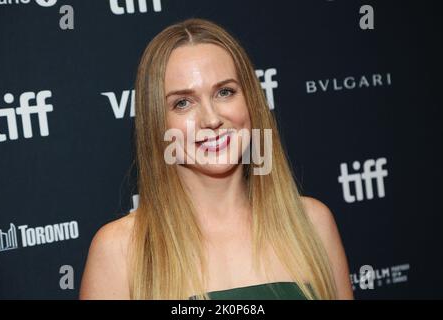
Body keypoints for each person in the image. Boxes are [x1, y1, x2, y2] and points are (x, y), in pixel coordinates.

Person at [79, 18, 354, 300]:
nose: (211, 119)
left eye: (225, 92)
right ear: (157, 124)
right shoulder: (121, 252)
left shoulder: (312, 224)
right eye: (182, 102)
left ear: (251, 103)